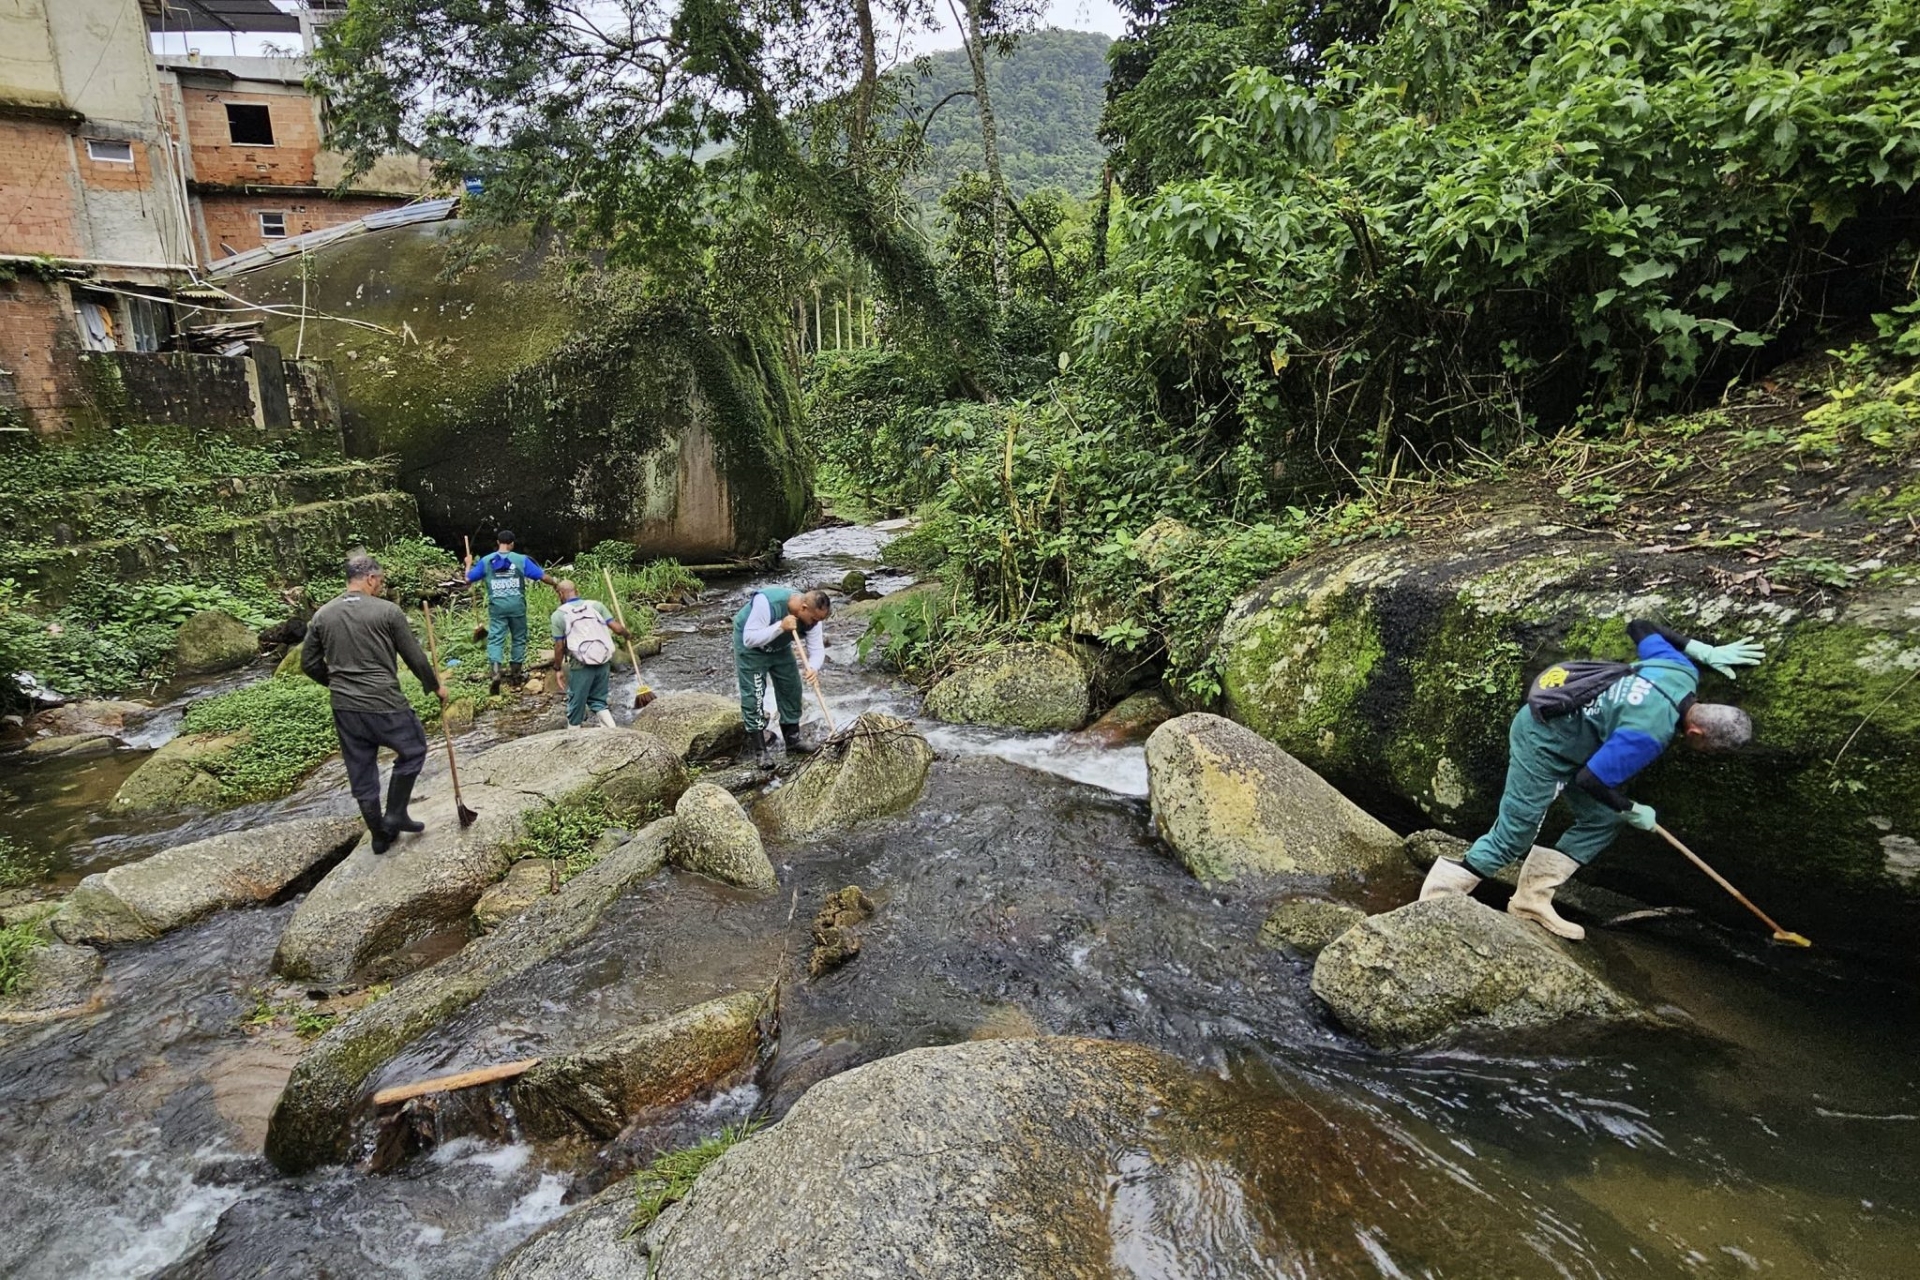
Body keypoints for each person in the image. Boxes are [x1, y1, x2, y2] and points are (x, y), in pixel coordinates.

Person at [1419, 620, 1763, 939]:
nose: (1706, 754)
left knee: (1602, 819)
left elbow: (1639, 626)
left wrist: (1700, 651)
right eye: (1710, 749)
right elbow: (1591, 781)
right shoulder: (1649, 734)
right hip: (1543, 740)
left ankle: (1530, 900)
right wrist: (1632, 808)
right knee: (1516, 833)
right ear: (1696, 731)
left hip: (1580, 740)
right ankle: (1434, 904)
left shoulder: (1680, 670)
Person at [301, 550, 449, 854]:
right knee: (413, 749)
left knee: (361, 768)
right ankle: (395, 813)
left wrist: (336, 684)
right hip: (384, 701)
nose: (380, 585)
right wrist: (435, 687)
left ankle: (380, 835)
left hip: (345, 706)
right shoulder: (387, 612)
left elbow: (309, 663)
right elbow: (414, 656)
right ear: (370, 578)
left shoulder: (322, 615)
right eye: (379, 580)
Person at [733, 587, 831, 768]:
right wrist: (780, 626)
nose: (815, 624)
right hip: (752, 648)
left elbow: (817, 650)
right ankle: (761, 751)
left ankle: (792, 740)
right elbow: (749, 638)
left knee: (791, 687)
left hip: (780, 647)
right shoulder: (766, 603)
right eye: (814, 619)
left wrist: (813, 668)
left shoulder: (814, 619)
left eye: (819, 620)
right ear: (803, 608)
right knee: (754, 694)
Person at [465, 529, 546, 694]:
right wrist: (557, 584)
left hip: (498, 607)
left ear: (497, 542)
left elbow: (468, 579)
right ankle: (516, 674)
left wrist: (468, 563)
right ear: (512, 544)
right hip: (517, 606)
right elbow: (541, 576)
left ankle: (496, 673)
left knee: (495, 639)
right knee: (518, 638)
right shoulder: (521, 559)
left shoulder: (487, 561)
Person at [549, 579, 628, 729]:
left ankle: (573, 738)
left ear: (560, 594)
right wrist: (627, 634)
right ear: (576, 591)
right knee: (599, 701)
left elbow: (559, 646)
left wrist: (557, 668)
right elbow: (617, 629)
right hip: (603, 660)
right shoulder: (597, 606)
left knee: (576, 702)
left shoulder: (558, 615)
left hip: (580, 665)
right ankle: (614, 732)